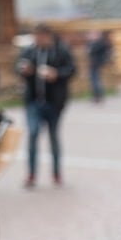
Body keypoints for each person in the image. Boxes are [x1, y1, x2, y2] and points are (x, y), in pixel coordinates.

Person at [16, 23, 75, 187]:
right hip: (34, 101)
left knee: (53, 137)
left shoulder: (61, 50)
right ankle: (31, 174)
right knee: (33, 133)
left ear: (48, 36)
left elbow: (71, 69)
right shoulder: (29, 51)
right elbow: (18, 66)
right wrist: (24, 71)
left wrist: (56, 74)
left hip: (54, 102)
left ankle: (56, 173)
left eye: (40, 36)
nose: (37, 39)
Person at [87, 30, 112, 103]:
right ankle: (97, 96)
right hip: (94, 64)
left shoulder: (99, 43)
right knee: (95, 80)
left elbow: (91, 52)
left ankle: (98, 96)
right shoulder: (96, 43)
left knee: (95, 80)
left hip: (96, 64)